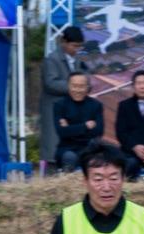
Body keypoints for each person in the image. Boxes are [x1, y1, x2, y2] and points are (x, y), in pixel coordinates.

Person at [40, 25, 87, 167]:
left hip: (72, 110)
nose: (76, 49)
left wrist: (85, 86)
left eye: (79, 46)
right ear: (63, 42)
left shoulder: (78, 61)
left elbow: (85, 78)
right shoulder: (51, 60)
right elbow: (50, 83)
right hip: (54, 109)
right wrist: (75, 88)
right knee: (53, 147)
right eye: (74, 46)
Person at [54, 72, 104, 173]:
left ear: (87, 87)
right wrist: (85, 126)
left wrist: (70, 128)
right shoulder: (59, 105)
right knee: (70, 157)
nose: (77, 90)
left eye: (81, 86)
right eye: (74, 86)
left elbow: (98, 131)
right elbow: (62, 132)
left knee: (100, 157)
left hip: (89, 147)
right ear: (68, 86)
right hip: (67, 148)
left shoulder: (96, 105)